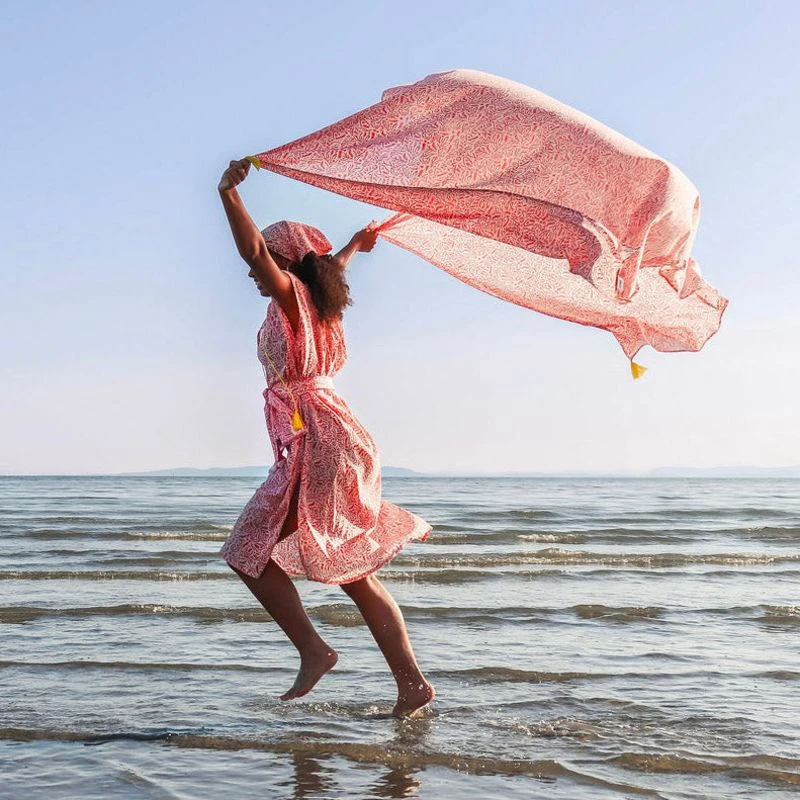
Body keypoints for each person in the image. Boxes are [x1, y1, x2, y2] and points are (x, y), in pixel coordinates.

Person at [217, 158, 435, 717]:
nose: (250, 274)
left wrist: (229, 196)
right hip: (338, 437)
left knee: (247, 551)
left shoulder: (290, 298)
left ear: (286, 264)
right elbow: (330, 262)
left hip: (318, 438)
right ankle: (410, 683)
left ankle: (314, 650)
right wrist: (357, 244)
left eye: (268, 258)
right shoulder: (324, 302)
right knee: (355, 571)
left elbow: (254, 256)